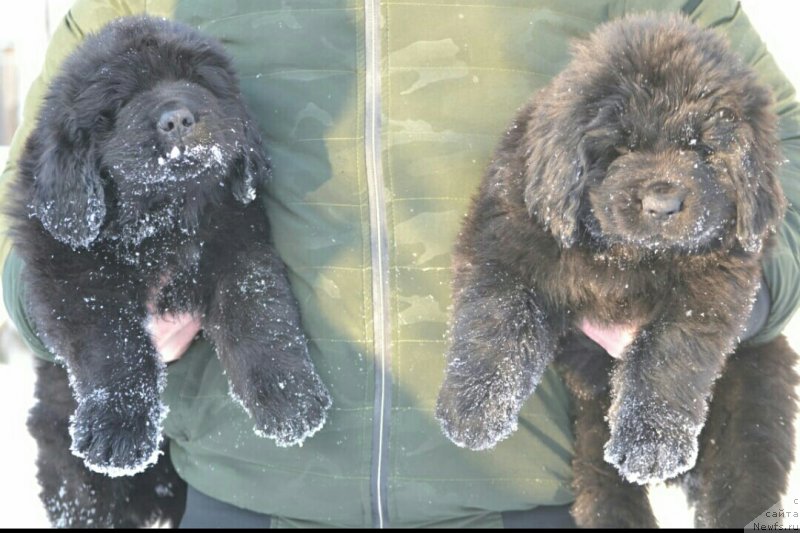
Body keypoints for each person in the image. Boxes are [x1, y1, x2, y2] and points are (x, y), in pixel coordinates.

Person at [1, 0, 798, 528]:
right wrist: (91, 319)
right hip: (251, 493)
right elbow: (35, 187)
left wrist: (722, 302)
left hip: (531, 490)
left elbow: (778, 149)